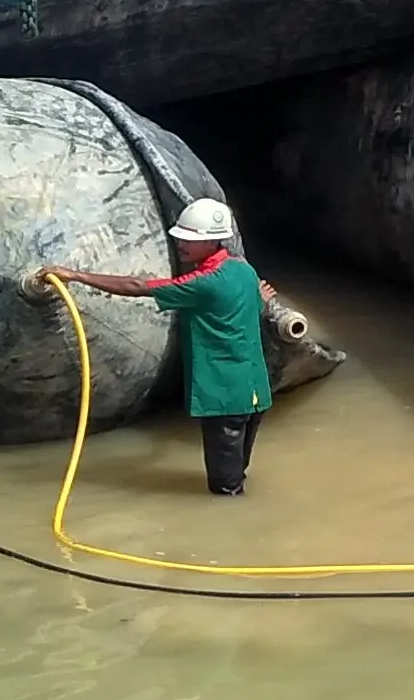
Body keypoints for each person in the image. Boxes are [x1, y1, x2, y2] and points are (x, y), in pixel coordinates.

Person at [41, 197, 273, 495]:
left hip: (225, 395)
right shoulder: (244, 272)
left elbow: (138, 287)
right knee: (236, 473)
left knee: (224, 489)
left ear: (212, 242)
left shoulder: (204, 282)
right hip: (254, 392)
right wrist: (262, 301)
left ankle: (228, 527)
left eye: (189, 240)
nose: (181, 245)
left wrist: (76, 275)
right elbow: (254, 309)